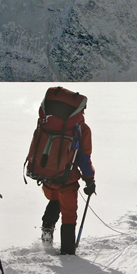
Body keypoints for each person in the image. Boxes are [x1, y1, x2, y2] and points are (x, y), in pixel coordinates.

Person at [35, 89, 96, 255]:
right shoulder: (82, 129)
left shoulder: (47, 123)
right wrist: (90, 180)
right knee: (69, 214)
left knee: (55, 200)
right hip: (66, 178)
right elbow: (83, 159)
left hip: (47, 175)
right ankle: (68, 252)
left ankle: (47, 231)